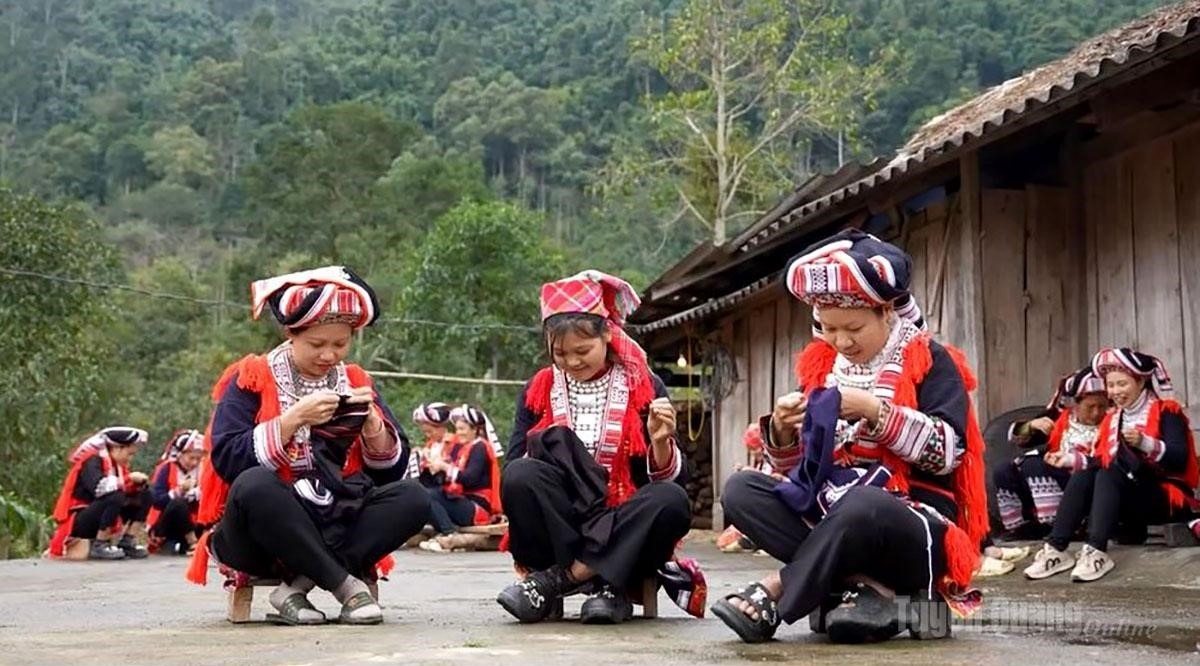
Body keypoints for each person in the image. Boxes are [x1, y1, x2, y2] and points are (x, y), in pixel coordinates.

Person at [711, 229, 988, 644]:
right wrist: (785, 431)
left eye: (854, 327)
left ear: (887, 312)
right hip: (836, 513)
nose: (841, 342)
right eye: (828, 329)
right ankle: (857, 582)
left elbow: (948, 453)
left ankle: (779, 590)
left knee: (863, 503)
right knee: (740, 490)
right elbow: (805, 473)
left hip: (908, 523)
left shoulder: (929, 359)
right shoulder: (823, 365)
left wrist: (875, 412)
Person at [185, 266, 431, 626]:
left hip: (333, 518)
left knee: (414, 497)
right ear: (290, 333)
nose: (330, 355)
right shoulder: (252, 376)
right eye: (317, 344)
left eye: (340, 344)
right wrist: (291, 421)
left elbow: (390, 472)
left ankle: (294, 589)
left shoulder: (356, 380)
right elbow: (226, 459)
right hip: (261, 536)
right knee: (255, 485)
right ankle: (346, 588)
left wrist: (373, 426)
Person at [496, 270, 702, 625]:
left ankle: (566, 580)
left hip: (623, 519)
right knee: (518, 475)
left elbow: (673, 479)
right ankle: (595, 576)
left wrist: (660, 441)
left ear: (607, 333)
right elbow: (516, 461)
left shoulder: (643, 385)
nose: (572, 362)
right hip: (561, 523)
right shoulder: (539, 388)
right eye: (559, 352)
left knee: (670, 500)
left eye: (582, 350)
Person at [1024, 348, 1198, 582]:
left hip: (1164, 497)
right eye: (1111, 386)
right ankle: (1056, 549)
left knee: (1108, 474)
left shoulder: (1167, 410)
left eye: (1122, 384)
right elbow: (1101, 459)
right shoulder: (1114, 417)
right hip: (1126, 493)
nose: (1115, 392)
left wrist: (1145, 443)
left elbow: (1180, 459)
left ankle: (1096, 550)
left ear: (1140, 381)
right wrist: (1068, 459)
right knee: (1087, 474)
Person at [977, 367, 1109, 576]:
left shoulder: (1111, 424)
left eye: (1102, 407)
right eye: (1090, 407)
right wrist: (1031, 425)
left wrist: (1069, 460)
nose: (1096, 413)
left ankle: (1056, 527)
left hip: (1082, 481)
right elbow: (1016, 437)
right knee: (1004, 470)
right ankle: (1019, 528)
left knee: (1034, 465)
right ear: (1075, 405)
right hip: (1049, 480)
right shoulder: (1059, 418)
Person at [49, 427, 152, 560]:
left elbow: (125, 486)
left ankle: (128, 540)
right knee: (115, 495)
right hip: (80, 518)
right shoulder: (92, 460)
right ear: (117, 448)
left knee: (145, 494)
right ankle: (100, 544)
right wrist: (129, 479)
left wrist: (137, 485)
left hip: (98, 514)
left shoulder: (117, 466)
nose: (130, 458)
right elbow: (99, 488)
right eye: (129, 454)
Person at [419, 404, 503, 552]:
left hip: (478, 506)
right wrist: (433, 467)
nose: (459, 433)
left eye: (462, 429)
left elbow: (470, 479)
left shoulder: (480, 447)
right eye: (457, 429)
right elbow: (447, 480)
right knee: (422, 493)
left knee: (429, 495)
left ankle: (449, 534)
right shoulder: (461, 448)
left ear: (474, 430)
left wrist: (445, 467)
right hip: (462, 500)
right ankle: (446, 531)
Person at [148, 429, 206, 555]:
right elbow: (157, 500)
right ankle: (192, 542)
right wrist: (179, 491)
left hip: (194, 521)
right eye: (191, 458)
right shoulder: (166, 468)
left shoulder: (203, 470)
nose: (194, 462)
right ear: (180, 454)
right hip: (167, 522)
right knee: (178, 503)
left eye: (198, 458)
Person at [410, 402, 455, 481]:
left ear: (441, 427)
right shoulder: (430, 444)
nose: (428, 435)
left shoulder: (454, 442)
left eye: (430, 431)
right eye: (425, 432)